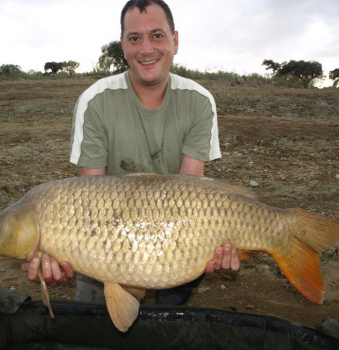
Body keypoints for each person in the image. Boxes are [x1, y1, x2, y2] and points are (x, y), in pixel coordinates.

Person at [22, 0, 240, 305]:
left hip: (176, 232)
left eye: (157, 36)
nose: (146, 49)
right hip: (107, 233)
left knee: (173, 304)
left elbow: (192, 191)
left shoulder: (199, 101)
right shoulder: (95, 101)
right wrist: (61, 251)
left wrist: (212, 242)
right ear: (123, 45)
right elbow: (87, 199)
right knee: (96, 313)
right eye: (135, 38)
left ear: (175, 41)